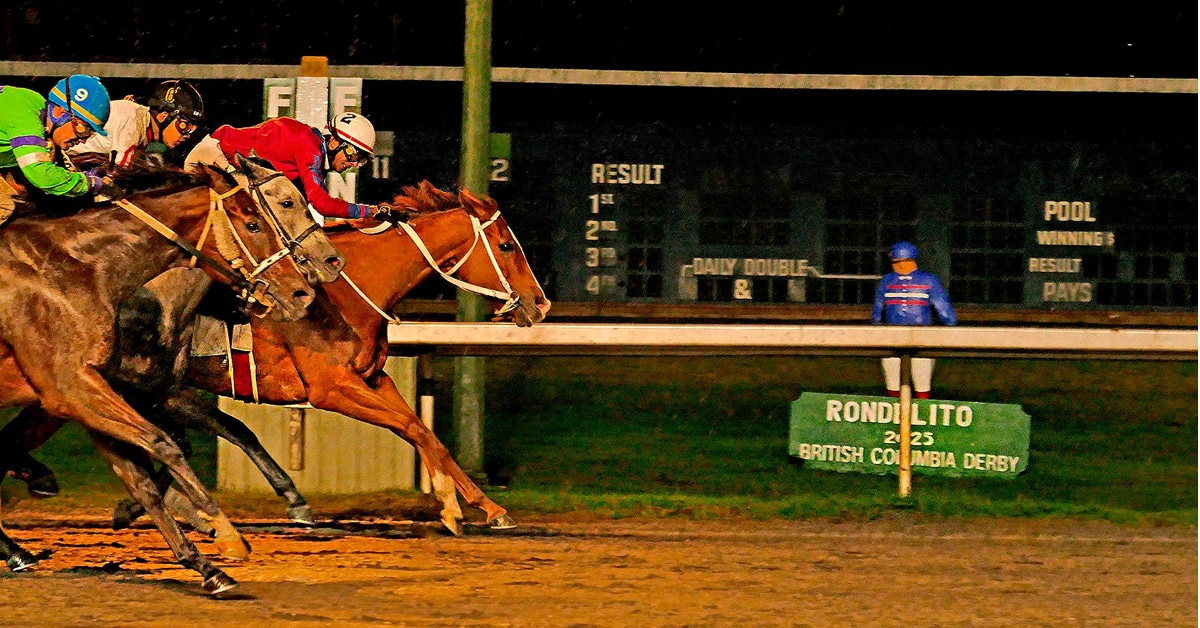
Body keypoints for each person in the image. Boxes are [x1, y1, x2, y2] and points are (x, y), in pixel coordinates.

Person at [185, 111, 396, 221]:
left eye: (360, 159)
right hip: (213, 159)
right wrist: (370, 211)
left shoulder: (311, 147)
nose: (353, 163)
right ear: (334, 142)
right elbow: (322, 204)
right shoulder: (309, 147)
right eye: (353, 154)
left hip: (224, 161)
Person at [0, 75, 112, 223]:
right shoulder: (25, 118)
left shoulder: (37, 109)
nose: (83, 139)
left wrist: (80, 176)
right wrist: (89, 183)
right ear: (60, 113)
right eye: (82, 129)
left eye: (89, 134)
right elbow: (42, 176)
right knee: (5, 206)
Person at [871, 241, 957, 399]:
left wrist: (950, 325)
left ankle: (922, 406)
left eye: (904, 262)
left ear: (912, 260)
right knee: (892, 376)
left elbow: (942, 306)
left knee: (922, 375)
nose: (900, 266)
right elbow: (878, 308)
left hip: (922, 336)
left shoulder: (928, 280)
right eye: (896, 262)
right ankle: (894, 407)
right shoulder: (887, 281)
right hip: (892, 336)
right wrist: (877, 328)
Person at [68, 79, 205, 170]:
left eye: (193, 129)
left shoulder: (139, 120)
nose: (187, 135)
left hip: (76, 160)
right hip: (66, 159)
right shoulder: (133, 122)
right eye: (185, 126)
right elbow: (119, 174)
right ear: (164, 116)